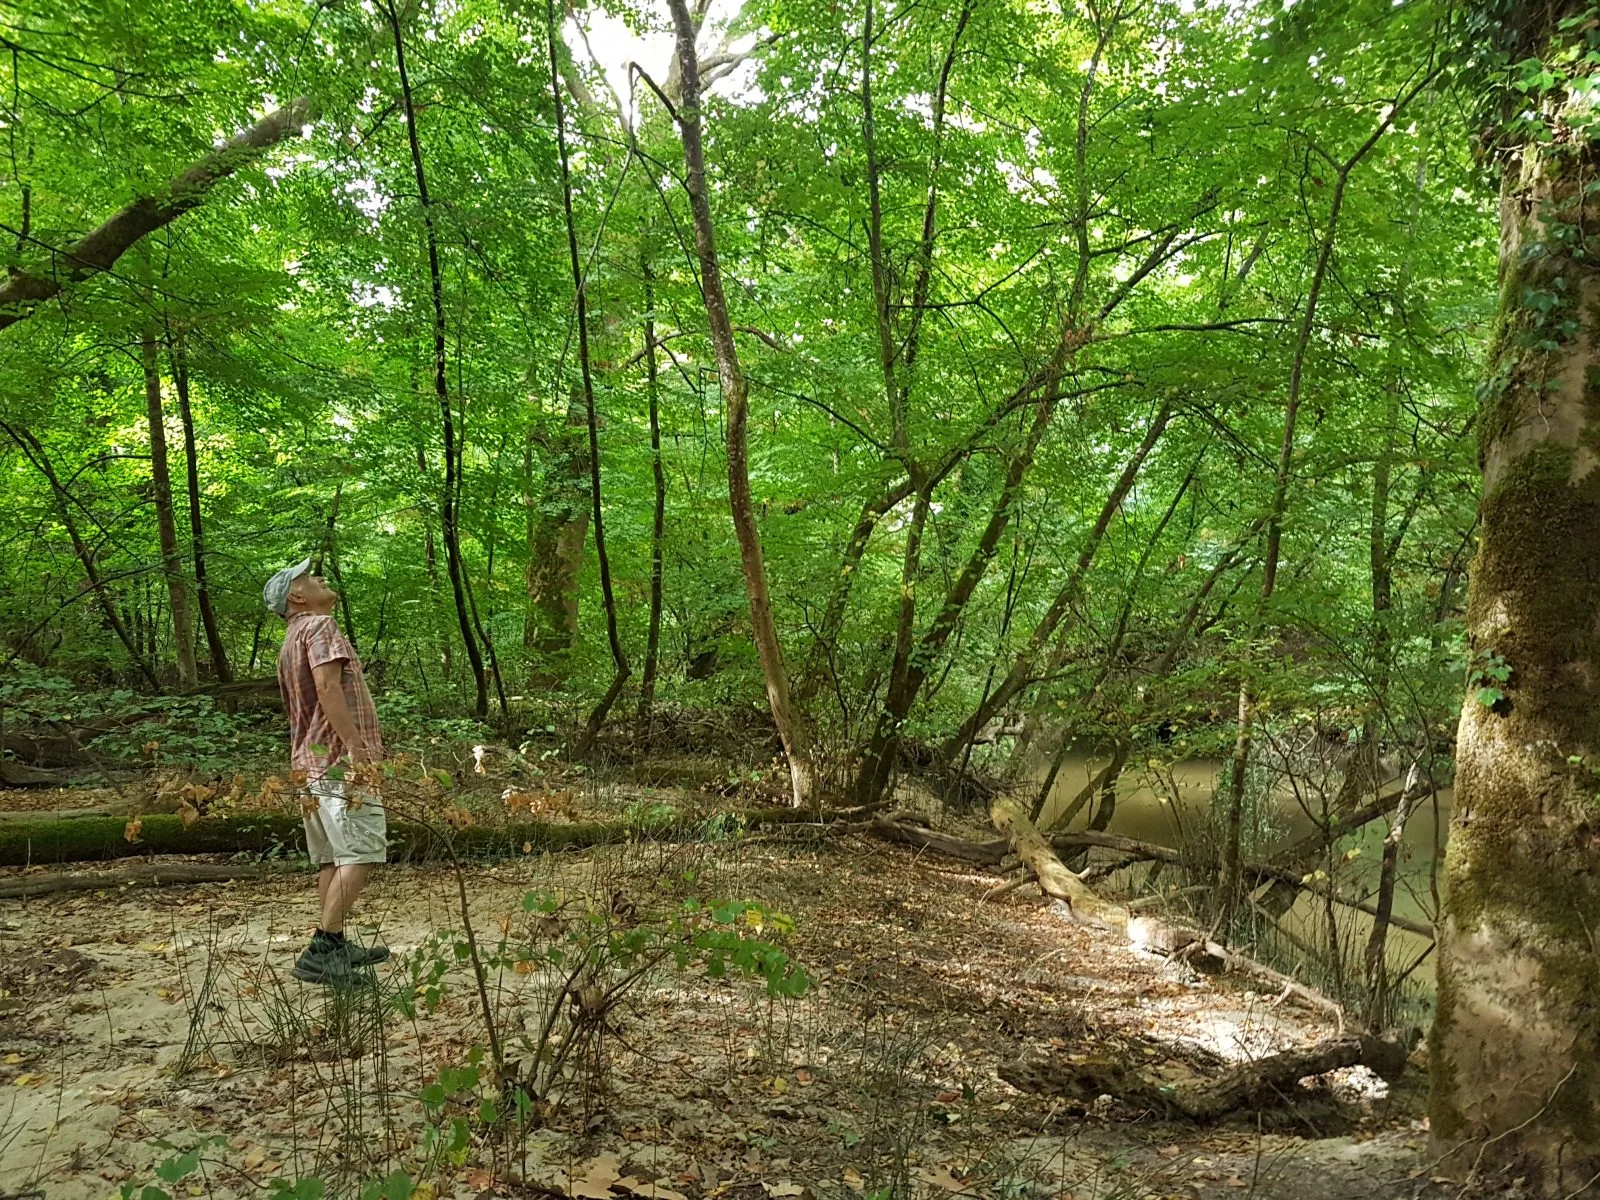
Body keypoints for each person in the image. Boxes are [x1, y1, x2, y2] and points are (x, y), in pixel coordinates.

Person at [263, 557, 390, 984]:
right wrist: (356, 748)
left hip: (308, 763)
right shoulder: (318, 627)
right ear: (297, 596)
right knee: (364, 850)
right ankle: (324, 947)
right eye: (308, 577)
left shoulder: (289, 640)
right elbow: (327, 687)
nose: (319, 579)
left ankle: (335, 945)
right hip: (337, 761)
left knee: (332, 859)